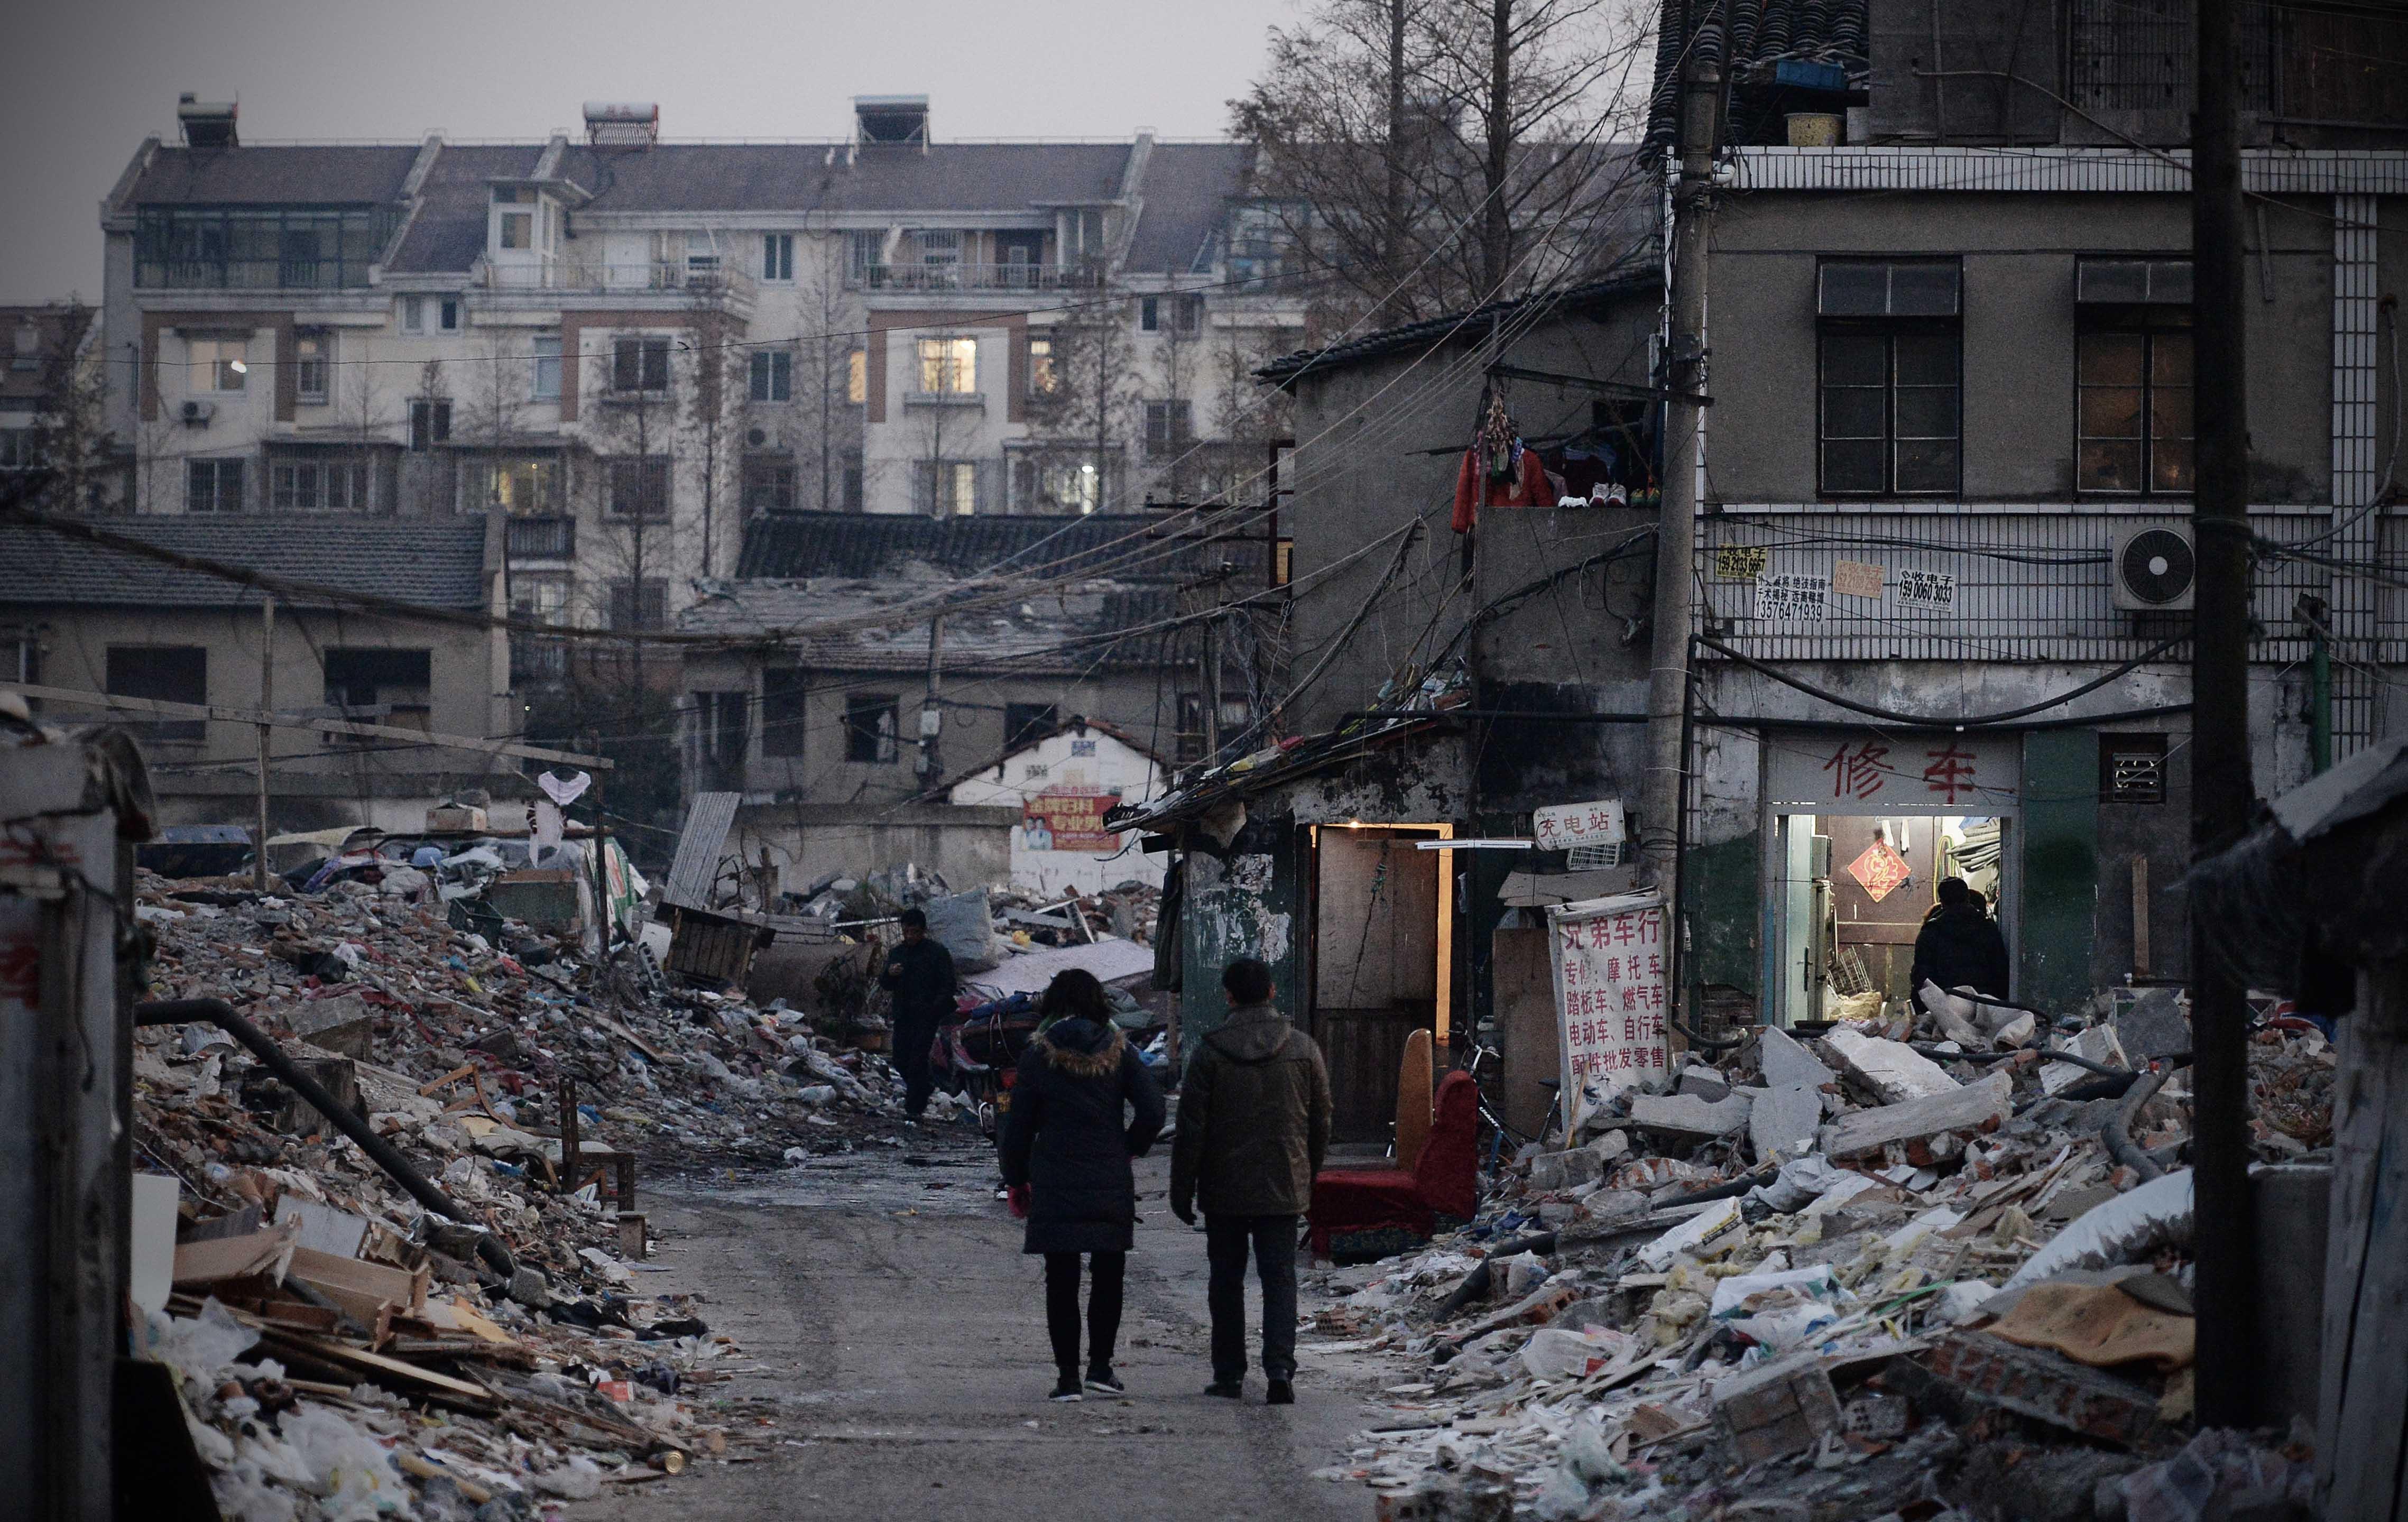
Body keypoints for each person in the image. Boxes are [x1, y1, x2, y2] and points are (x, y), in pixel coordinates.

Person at [1169, 957, 1331, 1406]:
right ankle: (1279, 1369)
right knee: (1280, 1279)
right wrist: (1307, 1175)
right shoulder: (1303, 1048)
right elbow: (1321, 1120)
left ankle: (1229, 1374)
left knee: (1226, 1279)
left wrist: (1181, 1190)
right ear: (1272, 992)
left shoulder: (1209, 1053)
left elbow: (1191, 1130)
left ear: (1228, 996)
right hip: (1283, 1184)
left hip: (1223, 1189)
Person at [998, 970, 1166, 1403]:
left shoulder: (1038, 1054)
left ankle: (1068, 1377)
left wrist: (1016, 1178)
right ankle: (1101, 1368)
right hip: (1108, 1175)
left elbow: (1016, 1128)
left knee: (1061, 1277)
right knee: (1109, 1273)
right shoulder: (1119, 1050)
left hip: (1055, 1176)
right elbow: (1152, 1110)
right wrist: (1127, 1148)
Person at [877, 907, 956, 1121]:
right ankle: (926, 1086)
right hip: (903, 1015)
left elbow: (948, 984)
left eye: (914, 932)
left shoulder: (937, 953)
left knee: (917, 1060)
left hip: (927, 1015)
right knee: (900, 1059)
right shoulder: (898, 953)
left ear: (923, 931)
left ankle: (914, 1108)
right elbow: (885, 983)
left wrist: (935, 1008)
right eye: (906, 932)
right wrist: (890, 974)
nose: (910, 937)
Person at [1910, 877, 2011, 1001]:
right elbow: (2001, 973)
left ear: (1942, 902)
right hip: (1984, 1006)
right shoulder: (1988, 929)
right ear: (1968, 898)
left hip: (1945, 1007)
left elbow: (1922, 979)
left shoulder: (1930, 932)